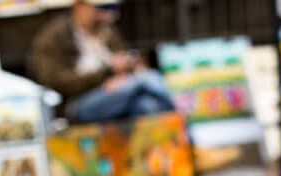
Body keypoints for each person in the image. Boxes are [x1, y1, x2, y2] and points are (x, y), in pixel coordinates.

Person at [31, 0, 175, 124]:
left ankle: (165, 151)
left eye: (111, 8)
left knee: (147, 106)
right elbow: (54, 81)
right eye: (100, 8)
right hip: (77, 103)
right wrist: (105, 75)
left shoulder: (107, 31)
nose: (106, 14)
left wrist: (123, 75)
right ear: (79, 6)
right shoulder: (54, 36)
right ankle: (184, 111)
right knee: (145, 79)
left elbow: (122, 62)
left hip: (117, 94)